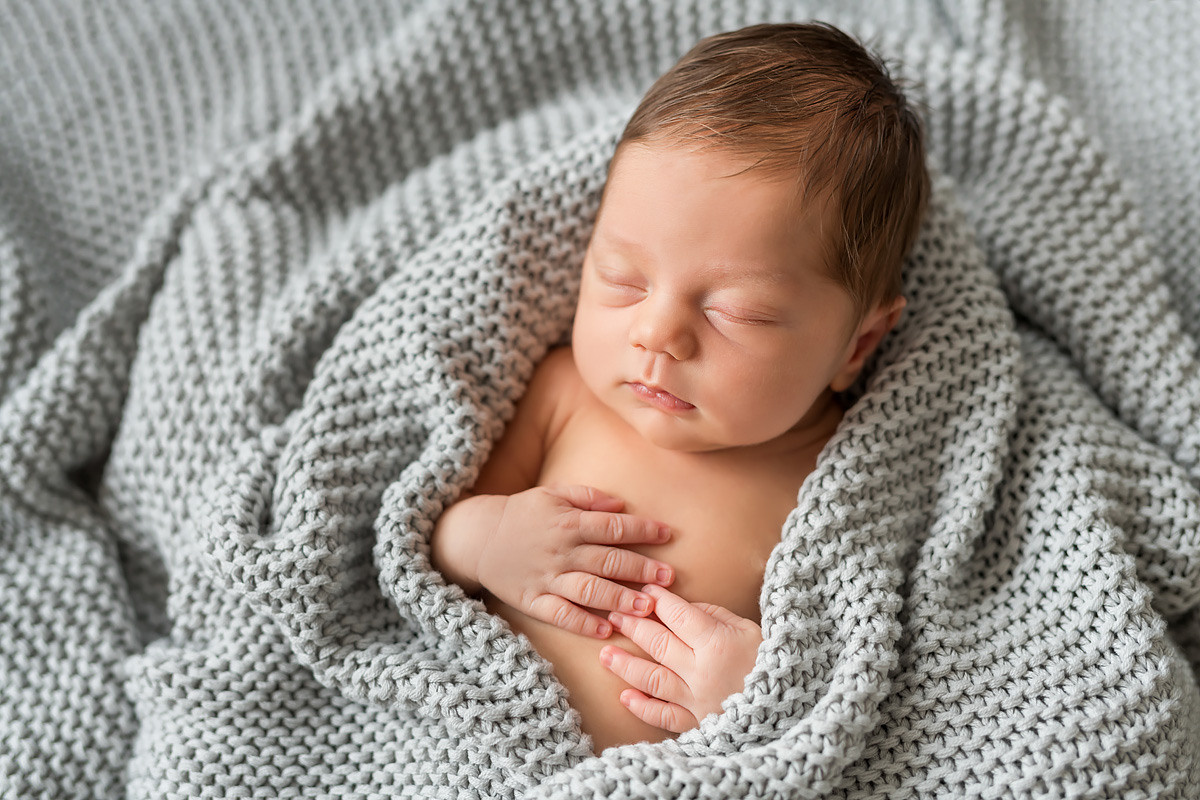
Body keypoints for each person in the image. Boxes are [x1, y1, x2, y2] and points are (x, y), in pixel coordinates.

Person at [431, 21, 929, 752]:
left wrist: (761, 695)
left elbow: (882, 683)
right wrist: (488, 541)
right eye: (622, 279)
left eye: (737, 312)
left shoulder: (844, 480)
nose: (657, 333)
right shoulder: (567, 392)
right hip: (464, 736)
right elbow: (437, 531)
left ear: (856, 346)